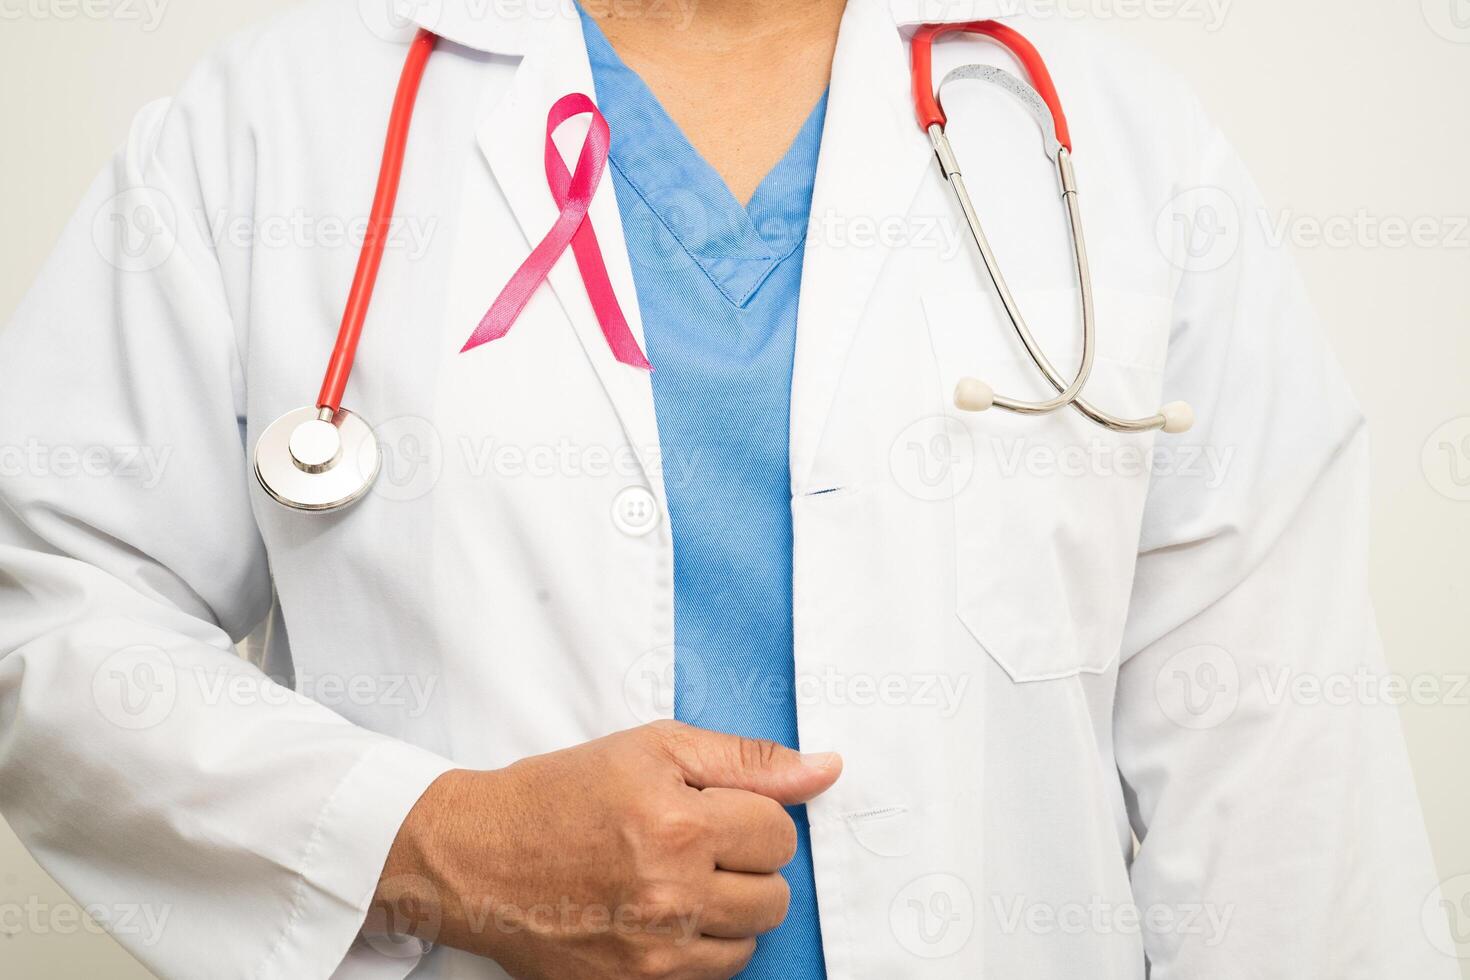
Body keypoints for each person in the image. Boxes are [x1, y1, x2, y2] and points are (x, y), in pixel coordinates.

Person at [0, 0, 1453, 978]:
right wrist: (429, 836)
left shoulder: (1114, 141)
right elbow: (51, 615)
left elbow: (1281, 791)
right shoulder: (285, 119)